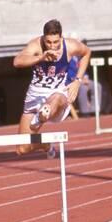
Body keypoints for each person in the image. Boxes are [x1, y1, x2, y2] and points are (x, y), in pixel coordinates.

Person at [14, 19, 91, 156]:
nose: (52, 46)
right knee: (22, 149)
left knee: (56, 98)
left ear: (61, 38)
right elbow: (17, 61)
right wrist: (40, 58)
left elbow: (86, 53)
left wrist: (77, 80)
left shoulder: (70, 46)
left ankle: (43, 114)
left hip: (58, 92)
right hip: (35, 96)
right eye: (48, 42)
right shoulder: (36, 45)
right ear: (44, 38)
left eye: (56, 42)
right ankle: (45, 144)